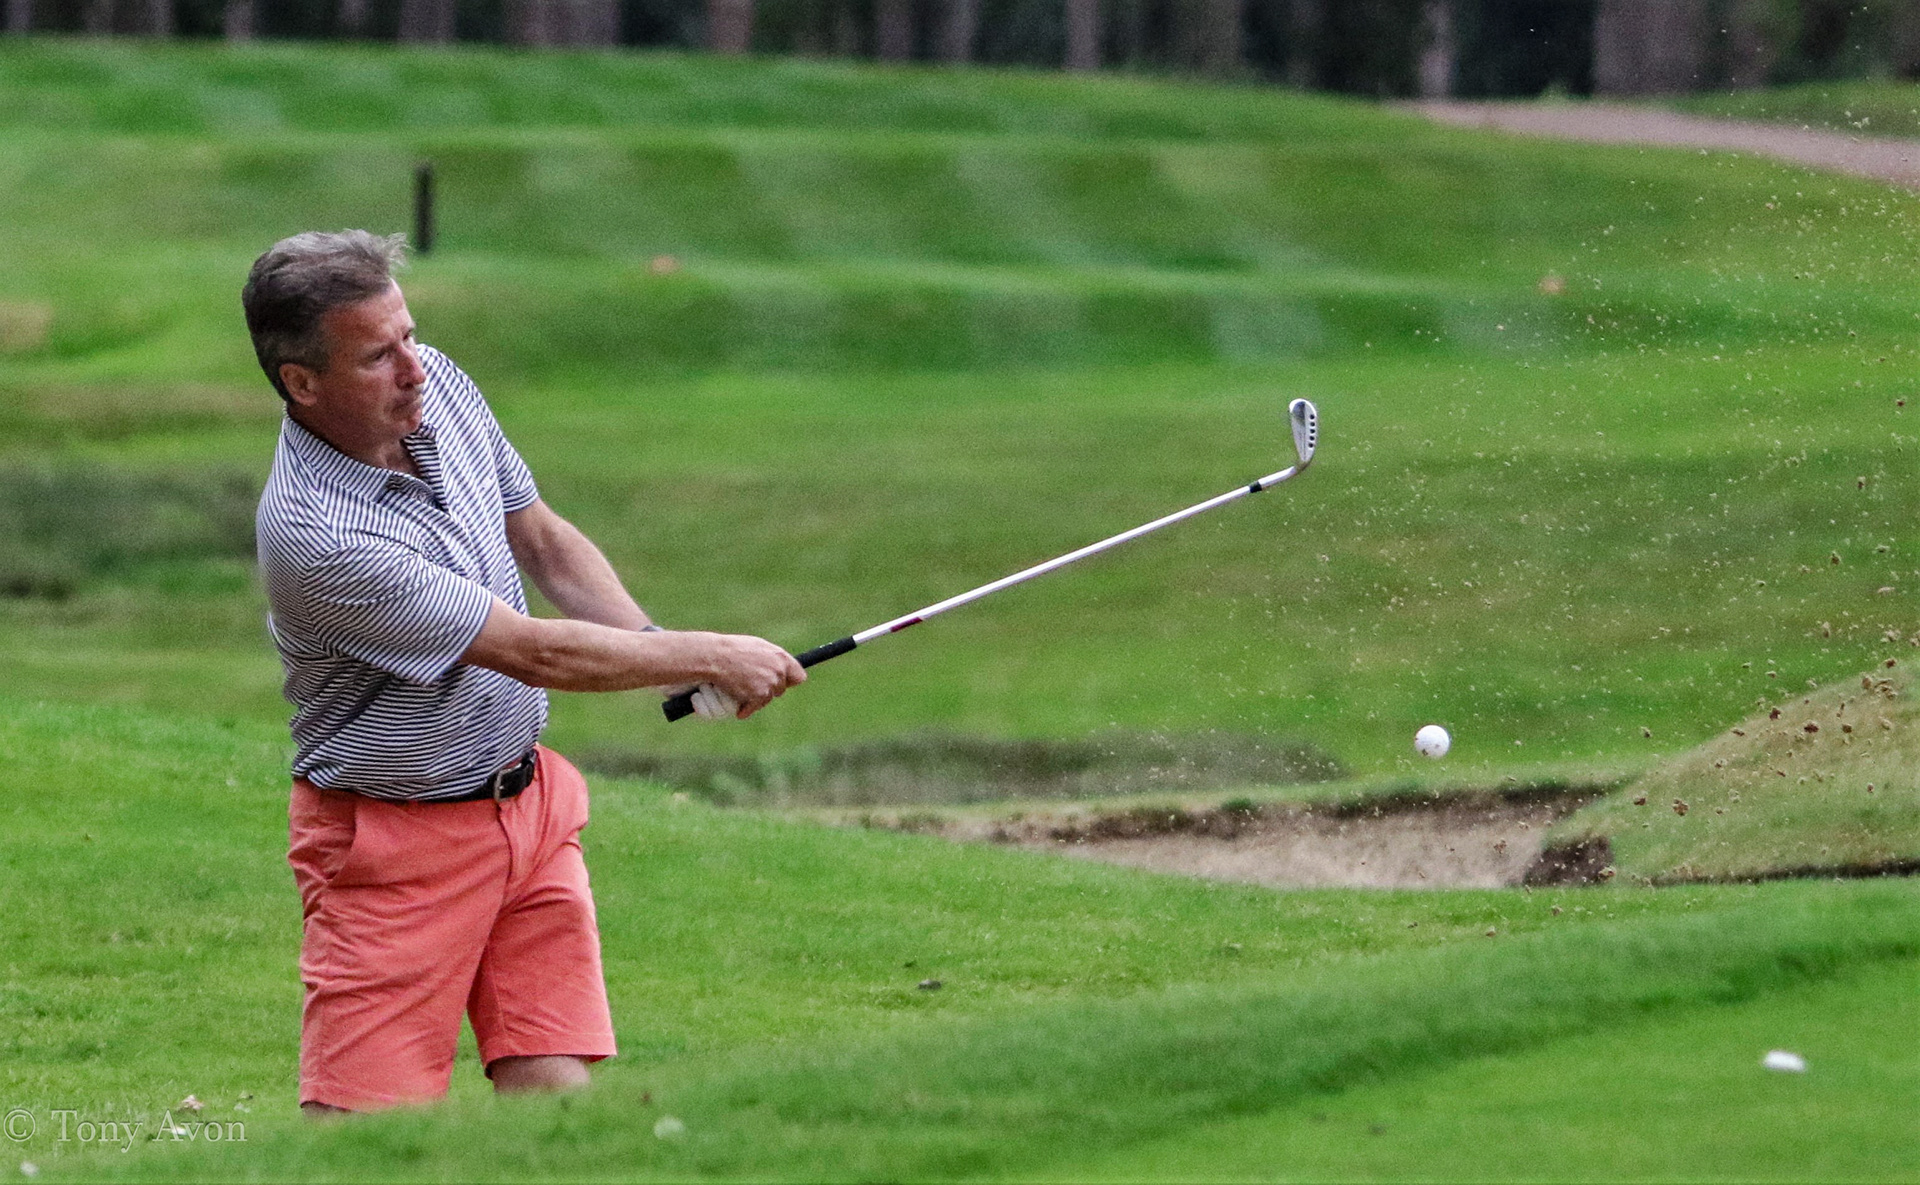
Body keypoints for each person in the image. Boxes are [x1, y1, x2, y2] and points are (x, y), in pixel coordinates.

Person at [243, 229, 804, 1114]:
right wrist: (707, 653)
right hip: (395, 844)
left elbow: (539, 537)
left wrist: (652, 647)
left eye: (409, 335)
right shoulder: (319, 535)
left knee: (556, 1102)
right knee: (364, 1135)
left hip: (529, 808)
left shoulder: (439, 386)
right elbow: (533, 649)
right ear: (302, 382)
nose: (414, 369)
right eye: (377, 356)